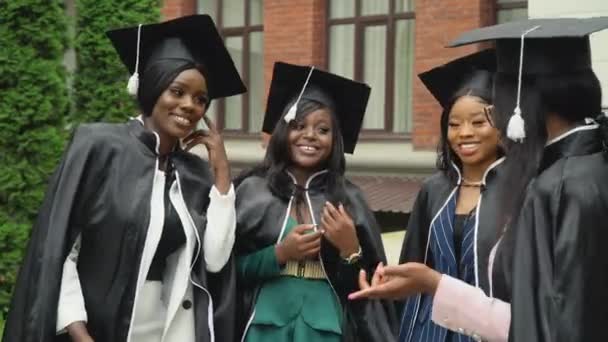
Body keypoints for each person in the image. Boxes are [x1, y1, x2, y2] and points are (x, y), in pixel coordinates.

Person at [2, 14, 246, 342]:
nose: (190, 105)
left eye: (201, 99)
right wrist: (78, 329)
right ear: (152, 85)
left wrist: (222, 176)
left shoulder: (194, 175)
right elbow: (61, 249)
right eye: (178, 91)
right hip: (96, 330)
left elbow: (215, 261)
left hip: (167, 330)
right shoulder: (99, 147)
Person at [448, 17, 608, 342]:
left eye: (495, 107)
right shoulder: (593, 164)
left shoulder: (558, 187)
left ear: (519, 102)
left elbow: (557, 318)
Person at [349, 49, 510, 342]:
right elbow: (413, 262)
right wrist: (385, 280)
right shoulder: (435, 189)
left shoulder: (520, 190)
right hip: (428, 328)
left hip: (488, 327)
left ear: (502, 126)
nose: (464, 133)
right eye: (454, 124)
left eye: (478, 122)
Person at [233, 62, 397, 342]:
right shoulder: (252, 190)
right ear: (283, 131)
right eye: (299, 126)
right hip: (263, 325)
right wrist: (279, 254)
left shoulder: (349, 199)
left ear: (336, 140)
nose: (310, 135)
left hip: (325, 327)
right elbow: (226, 271)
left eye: (323, 130)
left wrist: (350, 250)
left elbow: (367, 290)